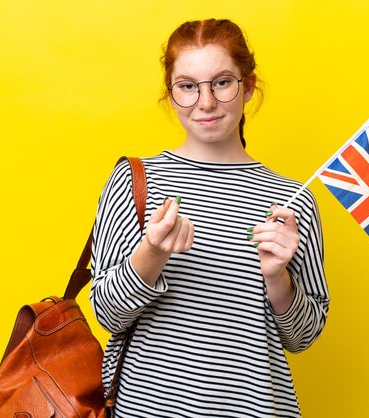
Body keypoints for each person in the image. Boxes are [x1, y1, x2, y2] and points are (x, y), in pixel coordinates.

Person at [91, 18, 329, 418]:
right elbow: (107, 313)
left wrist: (278, 278)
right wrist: (151, 252)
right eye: (187, 86)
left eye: (221, 82)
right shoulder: (135, 180)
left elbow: (303, 336)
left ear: (248, 86)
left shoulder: (292, 201)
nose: (205, 102)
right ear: (171, 95)